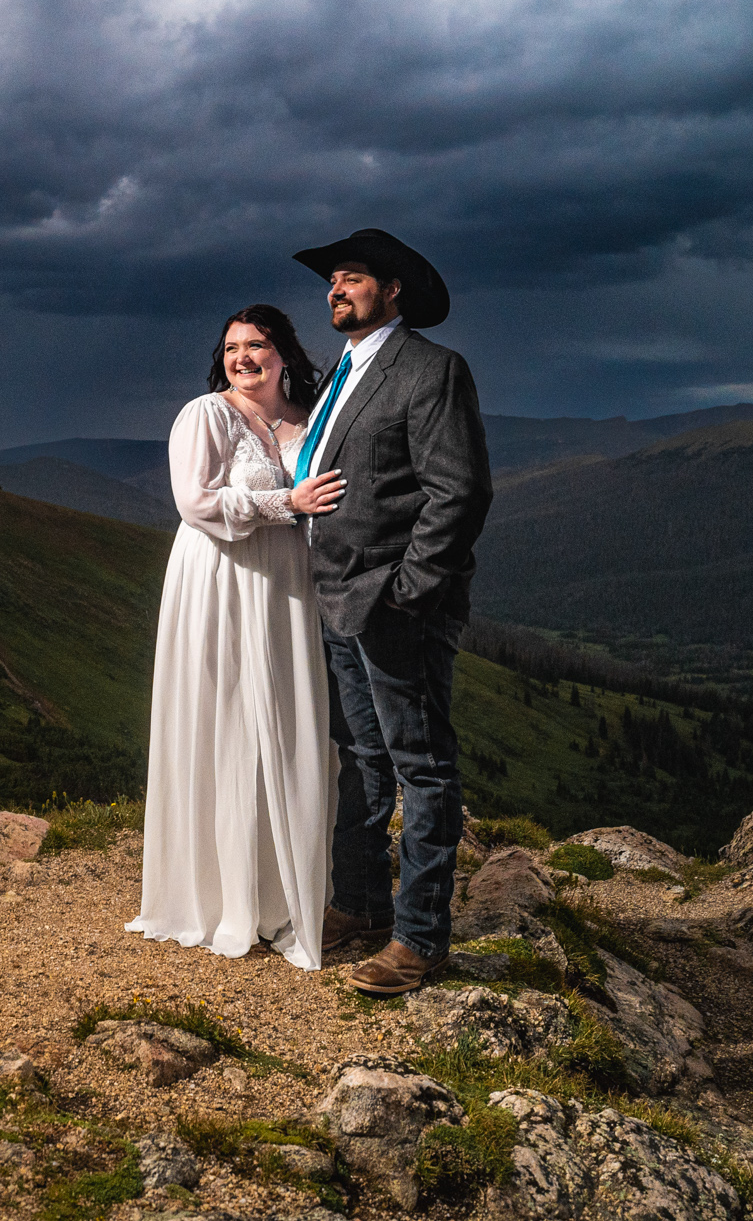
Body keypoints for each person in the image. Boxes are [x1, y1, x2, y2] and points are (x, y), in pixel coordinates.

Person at [289, 229, 493, 996]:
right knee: (364, 761)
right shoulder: (344, 370)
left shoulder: (431, 370)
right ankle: (362, 904)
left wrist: (408, 590)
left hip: (395, 604)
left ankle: (420, 936)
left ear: (394, 287)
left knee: (422, 766)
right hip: (336, 596)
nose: (336, 288)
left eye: (352, 277)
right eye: (333, 279)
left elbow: (461, 491)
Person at [126, 304, 348, 970]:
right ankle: (218, 895)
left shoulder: (306, 422)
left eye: (257, 344)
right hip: (220, 580)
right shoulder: (206, 415)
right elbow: (194, 501)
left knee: (285, 724)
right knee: (224, 722)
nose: (243, 357)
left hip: (285, 588)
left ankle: (279, 894)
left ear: (284, 352)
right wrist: (288, 503)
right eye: (231, 347)